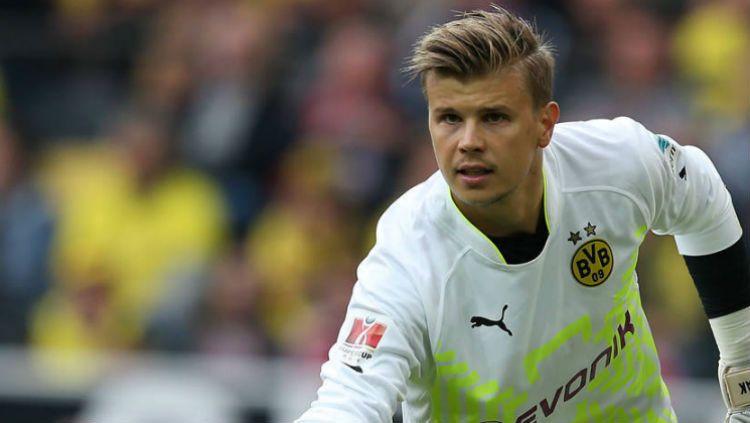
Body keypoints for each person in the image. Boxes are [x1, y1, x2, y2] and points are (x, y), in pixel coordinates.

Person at [296, 5, 750, 423]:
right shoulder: (408, 255)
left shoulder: (616, 162)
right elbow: (348, 399)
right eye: (449, 118)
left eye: (494, 117)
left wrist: (742, 362)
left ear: (545, 123)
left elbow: (700, 192)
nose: (468, 141)